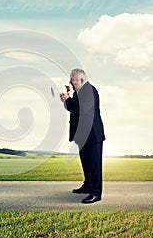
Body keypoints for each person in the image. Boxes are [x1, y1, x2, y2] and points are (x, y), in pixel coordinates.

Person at [61, 68, 105, 204]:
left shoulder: (89, 90)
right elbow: (73, 109)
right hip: (83, 135)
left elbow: (81, 110)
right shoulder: (78, 92)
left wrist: (68, 100)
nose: (70, 82)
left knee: (94, 165)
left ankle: (96, 193)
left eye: (72, 79)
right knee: (86, 163)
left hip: (92, 135)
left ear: (81, 79)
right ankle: (87, 186)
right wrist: (67, 101)